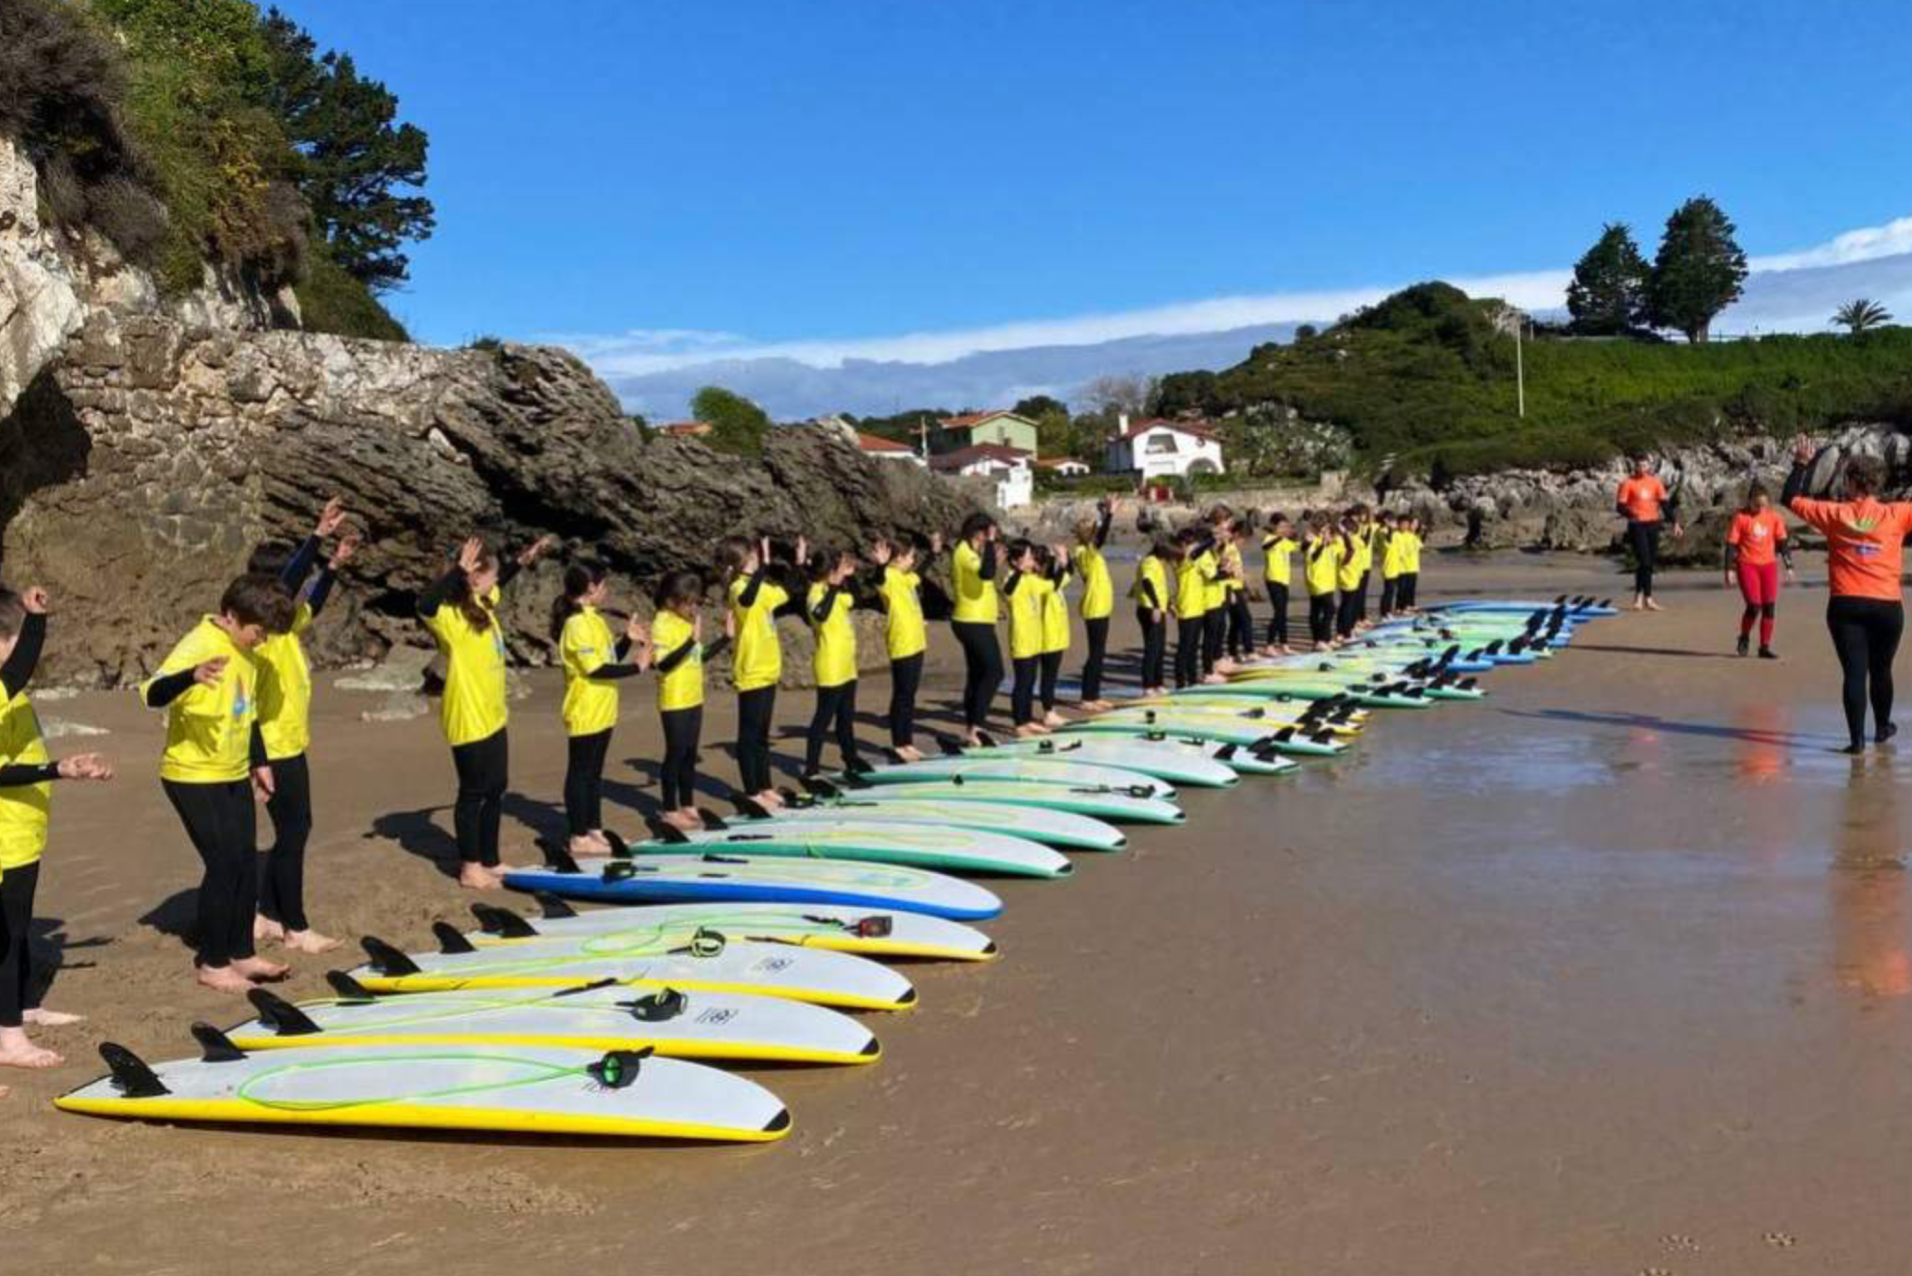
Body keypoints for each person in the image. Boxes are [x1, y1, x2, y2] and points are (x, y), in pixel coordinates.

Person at [143, 573, 296, 992]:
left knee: (246, 860)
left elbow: (244, 713)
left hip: (231, 770)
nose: (261, 641)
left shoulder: (244, 650)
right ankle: (212, 963)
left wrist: (258, 761)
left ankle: (241, 953)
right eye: (258, 633)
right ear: (230, 617)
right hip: (191, 775)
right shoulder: (200, 644)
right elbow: (151, 693)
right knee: (225, 862)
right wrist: (190, 676)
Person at [0, 586, 112, 1075]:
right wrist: (57, 770)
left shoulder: (9, 695)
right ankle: (8, 1037)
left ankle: (23, 1007)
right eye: (11, 638)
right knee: (3, 940)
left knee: (20, 932)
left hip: (22, 832)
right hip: (2, 839)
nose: (16, 651)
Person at [417, 534, 553, 890]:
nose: (495, 580)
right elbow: (424, 603)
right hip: (468, 716)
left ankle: (490, 859)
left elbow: (500, 579)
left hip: (494, 714)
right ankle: (470, 866)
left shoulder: (483, 603)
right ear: (473, 577)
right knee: (473, 792)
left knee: (497, 789)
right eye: (488, 573)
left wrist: (521, 561)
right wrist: (458, 569)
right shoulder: (449, 616)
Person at [252, 498, 358, 955]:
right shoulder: (262, 632)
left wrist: (332, 566)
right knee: (295, 831)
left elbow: (309, 601)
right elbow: (290, 582)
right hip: (274, 749)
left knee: (291, 831)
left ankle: (268, 914)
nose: (292, 596)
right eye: (284, 591)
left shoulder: (284, 625)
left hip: (289, 745)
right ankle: (295, 927)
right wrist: (317, 535)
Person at [1782, 439, 1912, 753]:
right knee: (1881, 670)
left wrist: (1802, 462)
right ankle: (1882, 728)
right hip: (1886, 606)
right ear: (1877, 484)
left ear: (1850, 482)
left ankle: (1856, 742)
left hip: (1846, 604)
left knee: (1854, 672)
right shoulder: (1898, 514)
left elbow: (1790, 498)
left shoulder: (1835, 514)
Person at [552, 560, 647, 854]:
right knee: (580, 773)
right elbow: (593, 669)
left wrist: (626, 641)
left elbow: (608, 659)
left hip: (603, 709)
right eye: (603, 585)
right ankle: (578, 836)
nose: (606, 590)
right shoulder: (576, 624)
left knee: (594, 773)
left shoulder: (595, 619)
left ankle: (594, 830)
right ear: (591, 588)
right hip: (584, 710)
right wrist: (637, 668)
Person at [639, 571, 732, 830]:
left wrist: (726, 638)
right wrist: (691, 641)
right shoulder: (662, 623)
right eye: (688, 603)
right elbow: (664, 664)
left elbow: (697, 657)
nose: (692, 608)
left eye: (695, 603)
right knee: (676, 753)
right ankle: (669, 809)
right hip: (675, 699)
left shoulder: (684, 622)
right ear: (671, 600)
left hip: (694, 696)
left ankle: (688, 803)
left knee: (690, 754)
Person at [719, 534, 806, 807]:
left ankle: (765, 787)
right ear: (744, 560)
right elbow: (746, 600)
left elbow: (786, 593)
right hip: (751, 669)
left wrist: (799, 563)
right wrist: (764, 566)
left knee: (762, 736)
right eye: (754, 555)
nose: (759, 558)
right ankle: (752, 792)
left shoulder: (763, 587)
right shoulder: (737, 588)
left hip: (769, 667)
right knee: (749, 734)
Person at [870, 532, 935, 761]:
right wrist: (880, 565)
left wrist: (933, 554)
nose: (913, 560)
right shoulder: (888, 576)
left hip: (917, 642)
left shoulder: (905, 577)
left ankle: (907, 742)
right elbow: (878, 581)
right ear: (897, 558)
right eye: (910, 556)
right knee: (902, 694)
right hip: (902, 643)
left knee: (910, 696)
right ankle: (899, 743)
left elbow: (919, 574)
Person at [803, 547, 867, 776]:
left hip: (847, 665)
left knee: (846, 718)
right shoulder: (815, 593)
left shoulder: (835, 592)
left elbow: (857, 600)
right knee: (823, 719)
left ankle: (850, 759)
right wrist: (834, 587)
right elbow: (820, 614)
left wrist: (849, 577)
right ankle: (811, 769)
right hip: (830, 666)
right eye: (838, 568)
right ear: (829, 571)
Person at [950, 513, 1004, 746]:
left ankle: (971, 727)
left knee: (977, 674)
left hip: (979, 620)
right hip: (972, 622)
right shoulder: (963, 552)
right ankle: (976, 727)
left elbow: (985, 575)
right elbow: (986, 573)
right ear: (979, 533)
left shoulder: (971, 552)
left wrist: (991, 555)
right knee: (994, 672)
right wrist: (990, 544)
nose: (991, 538)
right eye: (989, 534)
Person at [1723, 482, 1795, 659]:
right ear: (1750, 501)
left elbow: (1783, 543)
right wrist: (1729, 569)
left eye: (1764, 505)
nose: (1761, 508)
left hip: (1769, 565)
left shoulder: (1774, 517)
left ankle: (1764, 647)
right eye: (1757, 504)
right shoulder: (1741, 517)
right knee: (1755, 606)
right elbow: (1731, 545)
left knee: (1769, 607)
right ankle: (1744, 636)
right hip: (1747, 565)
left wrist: (1789, 565)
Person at [1617, 455, 1684, 610]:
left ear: (1649, 466)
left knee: (1648, 564)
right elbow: (1620, 506)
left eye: (1644, 465)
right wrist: (1631, 514)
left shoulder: (1655, 482)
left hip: (1653, 525)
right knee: (1644, 561)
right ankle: (1645, 597)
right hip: (1636, 526)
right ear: (1635, 467)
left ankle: (1643, 598)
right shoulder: (1628, 483)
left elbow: (1665, 505)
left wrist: (1675, 523)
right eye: (1639, 465)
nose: (1642, 468)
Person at [1071, 500, 1115, 711]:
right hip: (1094, 606)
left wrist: (1104, 513)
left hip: (1102, 605)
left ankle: (1094, 695)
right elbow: (1101, 537)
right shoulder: (1083, 552)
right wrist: (1110, 515)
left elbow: (1099, 536)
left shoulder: (1090, 550)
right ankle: (1087, 698)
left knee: (1100, 653)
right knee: (1095, 653)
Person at [1003, 539, 1049, 736]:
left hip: (1034, 637)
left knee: (1031, 680)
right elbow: (1008, 591)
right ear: (1015, 561)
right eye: (1028, 557)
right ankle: (1019, 723)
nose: (1031, 560)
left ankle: (1027, 719)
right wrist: (1020, 570)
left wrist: (1059, 563)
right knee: (1022, 682)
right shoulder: (1011, 578)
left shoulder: (1031, 578)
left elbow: (1050, 585)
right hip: (1021, 638)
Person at [1172, 528, 1216, 688]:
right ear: (1183, 545)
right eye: (1191, 544)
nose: (1194, 546)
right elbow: (1199, 550)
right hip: (1187, 607)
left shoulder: (1192, 558)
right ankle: (1180, 683)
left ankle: (1191, 680)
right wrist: (1214, 536)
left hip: (1198, 607)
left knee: (1193, 648)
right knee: (1185, 647)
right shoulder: (1182, 560)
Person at [1132, 536, 1174, 697]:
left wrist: (1168, 605)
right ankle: (1148, 685)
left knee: (1160, 648)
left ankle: (1158, 683)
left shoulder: (1158, 563)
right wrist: (1156, 606)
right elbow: (1147, 582)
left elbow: (1160, 587)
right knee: (1152, 648)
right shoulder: (1149, 562)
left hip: (1159, 609)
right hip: (1149, 610)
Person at [1037, 544, 1072, 727]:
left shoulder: (1054, 583)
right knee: (1048, 676)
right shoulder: (1044, 585)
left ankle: (1049, 710)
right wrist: (1054, 558)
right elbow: (1053, 575)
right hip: (1048, 638)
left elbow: (1068, 573)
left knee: (1051, 675)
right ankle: (1048, 712)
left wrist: (1065, 555)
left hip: (1057, 637)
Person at [1261, 511, 1298, 654]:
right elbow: (1266, 547)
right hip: (1273, 579)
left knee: (1283, 613)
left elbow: (1297, 547)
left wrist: (1309, 540)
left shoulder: (1285, 541)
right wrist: (1279, 537)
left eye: (1285, 526)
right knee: (1279, 612)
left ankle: (1284, 644)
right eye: (1281, 526)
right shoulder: (1269, 538)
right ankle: (1269, 645)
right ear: (1274, 526)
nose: (1284, 529)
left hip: (1284, 580)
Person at [1305, 513, 1343, 648]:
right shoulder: (1313, 539)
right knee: (1329, 610)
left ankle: (1322, 639)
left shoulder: (1330, 541)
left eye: (1327, 527)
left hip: (1328, 582)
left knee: (1318, 611)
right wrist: (1322, 543)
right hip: (1317, 581)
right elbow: (1312, 555)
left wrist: (1338, 534)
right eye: (1324, 527)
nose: (1327, 530)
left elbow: (1342, 549)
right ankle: (1321, 639)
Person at [1221, 518, 1255, 661]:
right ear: (1237, 535)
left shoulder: (1233, 547)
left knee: (1237, 621)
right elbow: (1225, 570)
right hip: (1230, 588)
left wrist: (1246, 583)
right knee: (1246, 619)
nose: (1244, 543)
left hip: (1237, 587)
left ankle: (1232, 652)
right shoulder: (1226, 547)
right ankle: (1249, 651)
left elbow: (1237, 568)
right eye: (1244, 539)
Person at [1334, 511, 1366, 640]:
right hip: (1346, 577)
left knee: (1349, 604)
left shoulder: (1354, 539)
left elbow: (1362, 543)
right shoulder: (1340, 541)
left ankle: (1346, 629)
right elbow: (1345, 558)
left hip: (1355, 575)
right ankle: (1345, 632)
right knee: (1347, 605)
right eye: (1350, 528)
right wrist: (1344, 534)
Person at [1377, 511, 1404, 619]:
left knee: (1393, 590)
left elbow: (1400, 549)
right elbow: (1387, 544)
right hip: (1388, 565)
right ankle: (1384, 612)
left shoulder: (1397, 534)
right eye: (1391, 520)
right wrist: (1390, 529)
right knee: (1388, 590)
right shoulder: (1381, 532)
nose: (1394, 522)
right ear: (1386, 521)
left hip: (1397, 565)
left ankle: (1389, 611)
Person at [1395, 516, 1424, 612]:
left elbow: (1420, 546)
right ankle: (1400, 607)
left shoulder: (1413, 535)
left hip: (1413, 566)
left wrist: (1423, 534)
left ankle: (1410, 604)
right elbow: (1401, 551)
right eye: (1412, 524)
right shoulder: (1398, 535)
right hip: (1402, 567)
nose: (1414, 526)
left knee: (1411, 588)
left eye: (1416, 524)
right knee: (1402, 589)